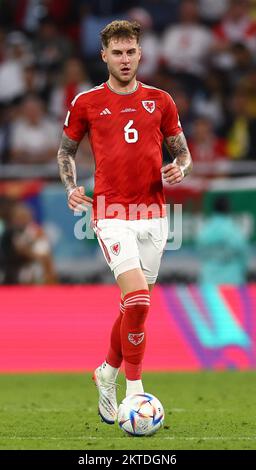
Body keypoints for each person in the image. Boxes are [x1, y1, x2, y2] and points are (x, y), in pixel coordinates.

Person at [57, 20, 192, 425]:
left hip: (154, 213)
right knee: (137, 299)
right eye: (117, 52)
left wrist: (180, 168)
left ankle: (106, 372)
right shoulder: (86, 102)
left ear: (140, 53)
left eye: (131, 51)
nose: (125, 59)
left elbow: (182, 152)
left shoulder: (161, 100)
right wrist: (70, 187)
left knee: (135, 309)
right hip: (112, 213)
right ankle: (135, 390)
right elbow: (65, 152)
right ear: (104, 56)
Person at [196, 195, 249, 284]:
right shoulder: (234, 230)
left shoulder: (205, 230)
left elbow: (200, 251)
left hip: (209, 280)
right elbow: (243, 254)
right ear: (229, 209)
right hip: (233, 281)